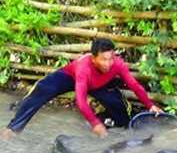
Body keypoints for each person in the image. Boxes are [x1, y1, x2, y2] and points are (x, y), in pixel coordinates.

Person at [1, 38, 163, 140]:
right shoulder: (83, 68)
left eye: (110, 58)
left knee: (121, 110)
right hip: (69, 78)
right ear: (93, 58)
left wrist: (150, 105)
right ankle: (12, 129)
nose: (108, 63)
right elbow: (80, 100)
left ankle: (109, 121)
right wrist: (94, 124)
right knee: (41, 90)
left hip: (100, 84)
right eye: (103, 59)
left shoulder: (117, 64)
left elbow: (134, 85)